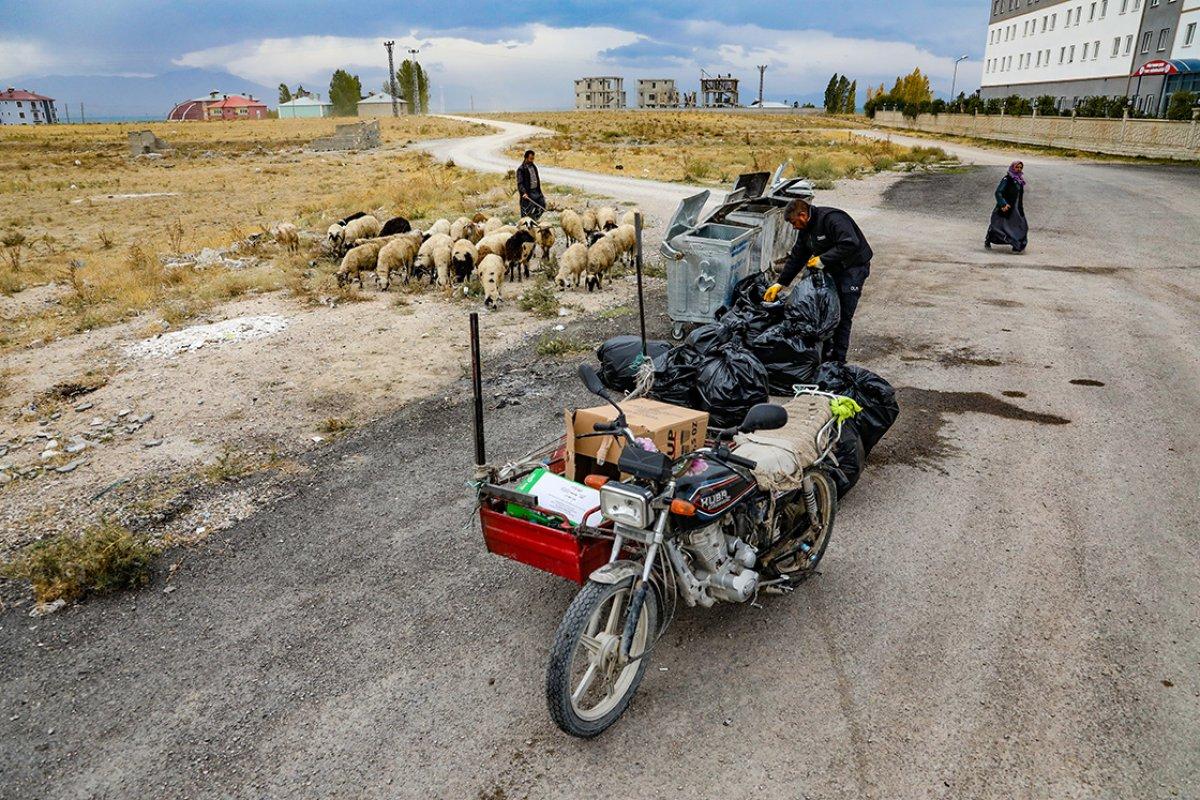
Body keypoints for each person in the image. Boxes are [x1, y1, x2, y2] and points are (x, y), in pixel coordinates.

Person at [763, 198, 873, 364]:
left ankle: (838, 361)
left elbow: (850, 243)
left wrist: (823, 259)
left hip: (853, 269)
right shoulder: (806, 229)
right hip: (834, 269)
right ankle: (825, 355)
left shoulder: (832, 218)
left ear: (802, 214)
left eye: (794, 222)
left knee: (842, 315)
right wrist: (780, 283)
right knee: (826, 312)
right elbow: (797, 257)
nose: (794, 227)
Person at [985, 160, 1027, 253]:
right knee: (1000, 226)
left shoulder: (1019, 180)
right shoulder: (1007, 179)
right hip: (1006, 207)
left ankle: (1019, 244)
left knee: (1021, 225)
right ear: (1013, 167)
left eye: (1020, 167)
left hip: (1017, 208)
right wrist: (1003, 203)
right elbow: (998, 192)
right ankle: (990, 239)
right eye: (1017, 167)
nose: (1019, 169)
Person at [516, 149, 547, 220]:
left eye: (533, 158)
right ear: (526, 158)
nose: (532, 160)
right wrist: (524, 193)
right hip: (528, 194)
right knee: (527, 211)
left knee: (542, 206)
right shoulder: (521, 169)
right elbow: (520, 183)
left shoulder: (533, 166)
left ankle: (534, 220)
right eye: (531, 159)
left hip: (536, 192)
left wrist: (540, 191)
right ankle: (526, 225)